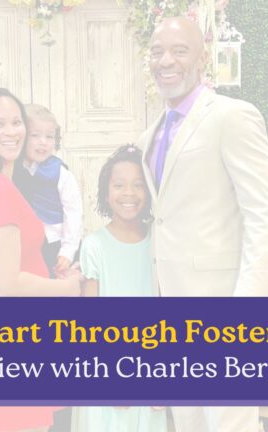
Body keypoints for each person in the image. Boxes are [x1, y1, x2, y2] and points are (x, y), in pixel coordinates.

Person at [137, 17, 268, 432]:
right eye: (157, 51)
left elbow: (262, 213)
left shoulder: (232, 116)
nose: (166, 61)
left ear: (202, 56)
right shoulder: (150, 135)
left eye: (179, 50)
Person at [0, 87, 81, 432]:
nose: (12, 132)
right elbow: (7, 282)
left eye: (16, 122)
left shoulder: (0, 183)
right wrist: (70, 288)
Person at [72, 145, 166, 432]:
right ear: (106, 191)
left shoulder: (160, 241)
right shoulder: (94, 246)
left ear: (150, 191)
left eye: (138, 185)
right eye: (119, 185)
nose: (129, 194)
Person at [13, 104, 83, 277]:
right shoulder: (12, 169)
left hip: (55, 246)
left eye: (49, 136)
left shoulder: (60, 173)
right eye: (35, 135)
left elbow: (73, 213)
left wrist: (68, 250)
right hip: (23, 247)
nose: (43, 142)